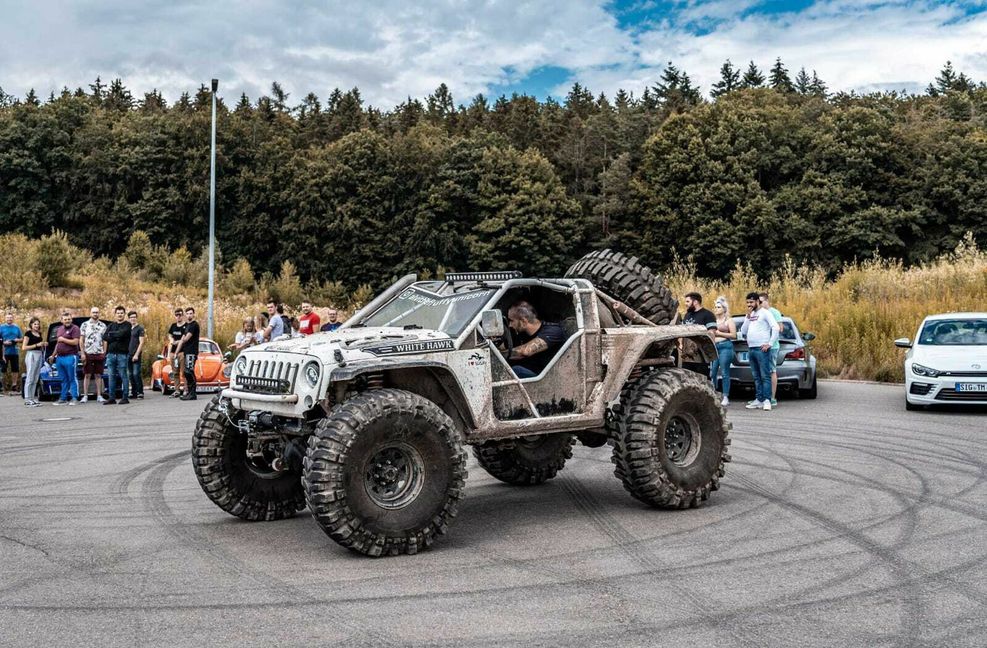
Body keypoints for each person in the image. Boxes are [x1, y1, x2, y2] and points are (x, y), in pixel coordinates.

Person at [504, 301, 567, 379]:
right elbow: (505, 346)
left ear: (524, 321)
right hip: (532, 378)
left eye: (511, 320)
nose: (510, 325)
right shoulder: (522, 335)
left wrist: (497, 356)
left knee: (517, 370)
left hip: (548, 380)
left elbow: (525, 351)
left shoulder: (553, 331)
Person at [740, 292, 779, 411]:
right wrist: (747, 318)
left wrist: (770, 343)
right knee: (756, 376)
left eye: (751, 302)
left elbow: (776, 327)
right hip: (751, 348)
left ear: (758, 301)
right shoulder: (751, 315)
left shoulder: (765, 313)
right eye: (747, 302)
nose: (749, 304)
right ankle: (759, 399)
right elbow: (743, 331)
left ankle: (767, 400)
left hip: (762, 349)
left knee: (764, 375)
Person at [681, 292, 717, 378]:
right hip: (687, 357)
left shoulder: (708, 315)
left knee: (702, 380)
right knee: (687, 380)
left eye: (687, 301)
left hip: (702, 358)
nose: (685, 304)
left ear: (695, 302)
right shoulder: (687, 315)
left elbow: (712, 333)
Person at [710, 296, 737, 407]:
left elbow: (734, 335)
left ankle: (725, 396)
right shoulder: (713, 321)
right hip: (714, 347)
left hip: (725, 346)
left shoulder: (729, 320)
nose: (716, 309)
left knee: (725, 372)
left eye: (719, 307)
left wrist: (719, 333)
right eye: (715, 307)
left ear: (724, 309)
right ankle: (714, 394)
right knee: (713, 372)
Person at [758, 292, 784, 407]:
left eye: (761, 301)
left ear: (767, 301)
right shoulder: (758, 313)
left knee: (771, 370)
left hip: (772, 346)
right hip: (760, 345)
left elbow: (780, 328)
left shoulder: (774, 312)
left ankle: (772, 397)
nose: (760, 303)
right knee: (761, 371)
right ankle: (761, 397)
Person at [49, 312, 80, 405]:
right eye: (65, 319)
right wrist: (53, 355)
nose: (67, 321)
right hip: (60, 358)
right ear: (62, 320)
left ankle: (75, 398)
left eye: (69, 319)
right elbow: (58, 344)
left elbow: (75, 342)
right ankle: (63, 398)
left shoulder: (75, 328)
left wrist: (63, 339)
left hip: (70, 356)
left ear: (71, 319)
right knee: (63, 379)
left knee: (72, 378)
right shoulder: (59, 329)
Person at [103, 305, 131, 405]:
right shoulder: (111, 325)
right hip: (110, 355)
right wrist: (116, 335)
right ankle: (112, 398)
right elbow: (105, 336)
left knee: (124, 375)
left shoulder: (127, 325)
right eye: (118, 313)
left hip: (122, 354)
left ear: (124, 314)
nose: (119, 315)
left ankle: (125, 397)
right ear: (115, 314)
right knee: (111, 376)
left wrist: (112, 335)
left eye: (121, 313)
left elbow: (122, 334)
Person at [79, 307, 107, 403]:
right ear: (90, 313)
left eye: (97, 312)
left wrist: (104, 352)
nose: (95, 314)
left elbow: (105, 340)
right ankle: (85, 395)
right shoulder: (85, 325)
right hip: (88, 352)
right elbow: (81, 340)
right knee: (87, 374)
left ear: (99, 313)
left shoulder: (103, 325)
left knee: (98, 375)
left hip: (99, 352)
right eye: (93, 312)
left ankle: (99, 395)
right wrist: (82, 353)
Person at [175, 307, 200, 401]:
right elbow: (182, 339)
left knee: (189, 371)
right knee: (186, 372)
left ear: (194, 314)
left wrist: (177, 342)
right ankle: (189, 392)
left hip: (192, 352)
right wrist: (177, 352)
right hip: (186, 351)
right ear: (185, 315)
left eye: (191, 313)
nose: (189, 315)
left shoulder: (194, 325)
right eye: (188, 313)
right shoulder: (187, 326)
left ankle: (193, 394)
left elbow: (186, 339)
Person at [21, 317, 45, 407]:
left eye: (38, 324)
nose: (37, 325)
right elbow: (24, 347)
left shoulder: (39, 333)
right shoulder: (28, 333)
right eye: (35, 324)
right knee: (30, 376)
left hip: (39, 354)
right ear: (31, 324)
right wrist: (36, 345)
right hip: (31, 355)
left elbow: (40, 345)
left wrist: (43, 344)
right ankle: (27, 399)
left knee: (36, 378)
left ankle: (32, 398)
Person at [1, 312, 23, 395]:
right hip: (4, 352)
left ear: (13, 318)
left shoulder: (16, 327)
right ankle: (3, 386)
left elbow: (22, 339)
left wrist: (17, 340)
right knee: (3, 369)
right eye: (8, 317)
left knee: (15, 369)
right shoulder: (1, 327)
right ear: (5, 318)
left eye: (10, 317)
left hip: (14, 351)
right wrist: (4, 342)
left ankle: (14, 385)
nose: (9, 319)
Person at [166, 308, 187, 397]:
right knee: (175, 372)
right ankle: (177, 390)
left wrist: (177, 342)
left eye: (180, 315)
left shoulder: (186, 326)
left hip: (182, 352)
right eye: (176, 315)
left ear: (183, 315)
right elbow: (170, 335)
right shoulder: (173, 326)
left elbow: (184, 338)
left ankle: (186, 389)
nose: (178, 316)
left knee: (184, 372)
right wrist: (171, 339)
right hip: (173, 353)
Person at [128, 311, 145, 399]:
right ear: (129, 318)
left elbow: (141, 342)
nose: (133, 319)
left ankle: (140, 392)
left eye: (134, 317)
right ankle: (133, 392)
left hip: (136, 355)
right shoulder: (128, 328)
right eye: (131, 317)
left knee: (136, 374)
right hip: (128, 354)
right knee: (130, 374)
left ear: (136, 318)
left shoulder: (140, 328)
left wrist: (136, 354)